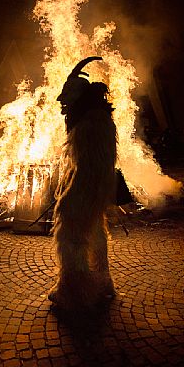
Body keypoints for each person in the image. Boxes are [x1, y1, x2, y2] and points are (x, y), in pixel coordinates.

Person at [48, 57, 117, 311]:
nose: (61, 101)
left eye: (67, 96)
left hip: (88, 187)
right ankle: (102, 281)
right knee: (96, 231)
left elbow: (90, 167)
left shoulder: (90, 126)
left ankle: (76, 292)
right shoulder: (97, 121)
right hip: (97, 187)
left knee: (71, 233)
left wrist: (71, 194)